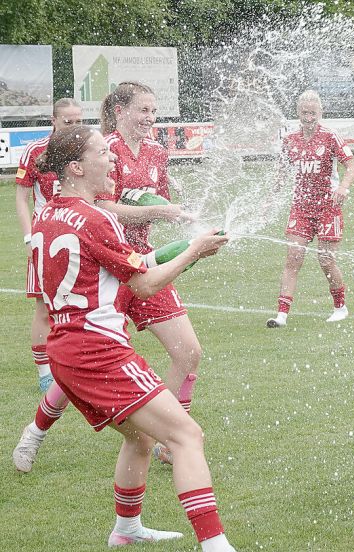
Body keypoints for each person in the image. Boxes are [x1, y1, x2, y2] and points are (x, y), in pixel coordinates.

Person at [27, 124, 236, 551]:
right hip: (97, 350)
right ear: (76, 167)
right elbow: (141, 285)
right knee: (186, 436)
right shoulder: (97, 218)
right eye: (103, 152)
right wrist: (194, 251)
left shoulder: (47, 213)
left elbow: (120, 267)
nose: (113, 159)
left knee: (138, 437)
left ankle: (126, 529)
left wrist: (180, 250)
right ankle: (215, 545)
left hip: (66, 347)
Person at [13, 82, 199, 470]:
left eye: (154, 111)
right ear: (119, 110)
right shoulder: (100, 147)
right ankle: (35, 432)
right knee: (77, 372)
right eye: (143, 111)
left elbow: (155, 202)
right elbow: (97, 207)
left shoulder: (156, 152)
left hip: (141, 263)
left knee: (189, 352)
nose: (151, 119)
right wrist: (160, 213)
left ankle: (169, 438)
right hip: (101, 272)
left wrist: (184, 223)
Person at [267, 90, 354, 327]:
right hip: (301, 207)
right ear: (298, 113)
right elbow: (280, 175)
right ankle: (281, 315)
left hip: (328, 206)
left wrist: (343, 188)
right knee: (293, 258)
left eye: (313, 113)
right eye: (304, 113)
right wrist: (269, 200)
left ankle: (340, 307)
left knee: (326, 261)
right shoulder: (290, 140)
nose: (308, 117)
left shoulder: (330, 137)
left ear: (320, 113)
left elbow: (352, 166)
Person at [14, 98, 84, 393]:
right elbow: (20, 198)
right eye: (68, 122)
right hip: (46, 238)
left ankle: (78, 365)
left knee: (81, 304)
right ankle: (45, 373)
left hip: (79, 238)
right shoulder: (35, 151)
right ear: (53, 121)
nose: (74, 127)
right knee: (45, 309)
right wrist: (29, 237)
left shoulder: (86, 149)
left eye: (78, 121)